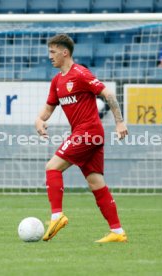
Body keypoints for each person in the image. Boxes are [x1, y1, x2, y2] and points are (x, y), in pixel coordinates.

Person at [35, 34, 128, 243]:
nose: (50, 56)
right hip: (87, 134)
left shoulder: (80, 73)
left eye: (53, 52)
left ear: (64, 52)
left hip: (88, 132)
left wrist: (119, 122)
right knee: (96, 183)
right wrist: (39, 120)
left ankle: (57, 216)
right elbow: (49, 108)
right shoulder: (57, 81)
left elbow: (109, 94)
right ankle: (117, 231)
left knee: (52, 167)